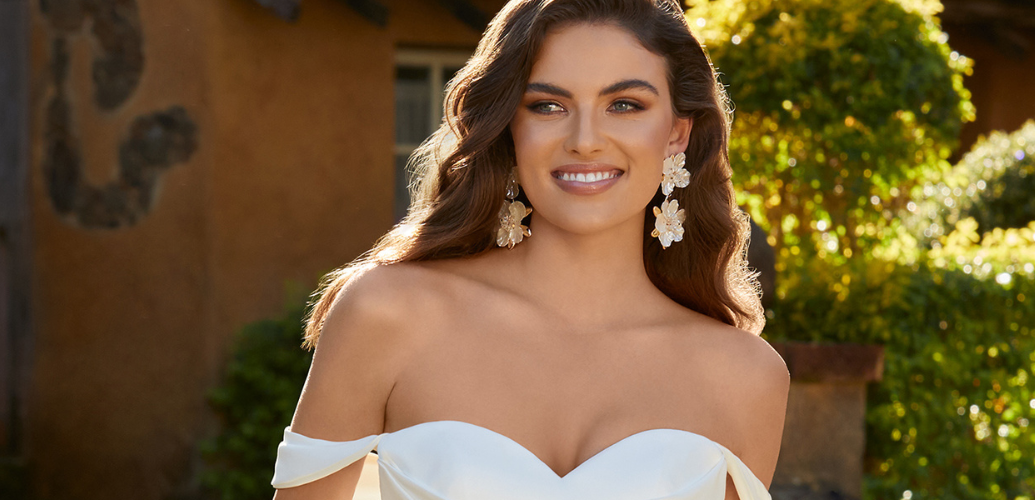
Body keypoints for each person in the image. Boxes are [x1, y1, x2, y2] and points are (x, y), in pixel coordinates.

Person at [271, 0, 790, 498]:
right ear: (509, 129)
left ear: (677, 133)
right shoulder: (389, 314)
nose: (585, 139)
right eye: (548, 106)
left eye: (625, 105)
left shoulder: (745, 379)